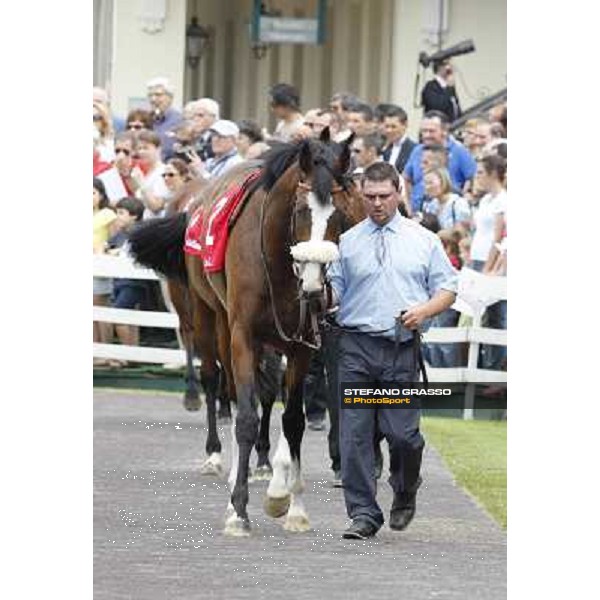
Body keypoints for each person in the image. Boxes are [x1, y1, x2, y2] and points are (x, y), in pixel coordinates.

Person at [327, 162, 457, 540]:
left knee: (403, 436)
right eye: (369, 197)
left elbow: (448, 289)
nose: (377, 204)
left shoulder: (423, 240)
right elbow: (334, 292)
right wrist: (316, 288)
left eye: (384, 196)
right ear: (361, 195)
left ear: (399, 193)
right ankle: (363, 514)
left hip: (401, 348)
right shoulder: (348, 242)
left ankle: (405, 487)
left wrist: (424, 310)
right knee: (353, 437)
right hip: (355, 347)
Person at [403, 110, 477, 214]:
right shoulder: (417, 150)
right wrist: (409, 206)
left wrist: (462, 199)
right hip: (417, 212)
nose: (427, 135)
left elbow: (472, 179)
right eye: (424, 131)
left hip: (445, 212)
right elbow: (406, 178)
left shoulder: (459, 151)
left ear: (444, 131)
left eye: (431, 131)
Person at [106, 197, 147, 364]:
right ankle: (133, 354)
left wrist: (114, 252)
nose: (118, 216)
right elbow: (107, 245)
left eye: (122, 213)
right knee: (130, 318)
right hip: (120, 281)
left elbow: (135, 254)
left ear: (134, 216)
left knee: (119, 315)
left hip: (133, 281)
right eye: (117, 212)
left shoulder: (140, 232)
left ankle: (127, 354)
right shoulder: (120, 233)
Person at [93, 178, 118, 355]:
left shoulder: (108, 214)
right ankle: (95, 351)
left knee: (101, 308)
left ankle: (107, 351)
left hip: (101, 266)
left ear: (101, 195)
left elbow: (114, 240)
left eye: (93, 193)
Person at [128, 130, 170, 219]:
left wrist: (141, 183)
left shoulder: (164, 172)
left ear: (158, 149)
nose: (141, 152)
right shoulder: (146, 174)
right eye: (139, 148)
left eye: (146, 148)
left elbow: (156, 206)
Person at [146, 77, 183, 160]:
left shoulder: (180, 121)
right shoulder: (146, 120)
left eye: (158, 95)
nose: (153, 99)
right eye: (150, 95)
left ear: (170, 97)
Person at [381, 105, 417, 174]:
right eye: (387, 126)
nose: (389, 130)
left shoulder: (414, 149)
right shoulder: (384, 149)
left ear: (405, 125)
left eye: (393, 127)